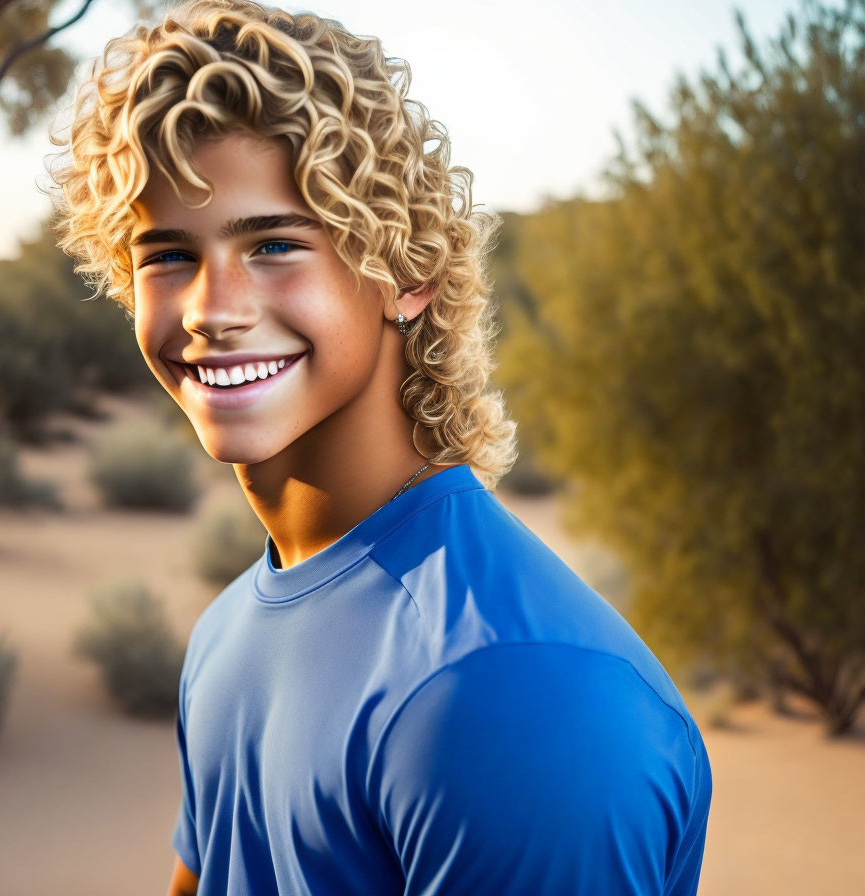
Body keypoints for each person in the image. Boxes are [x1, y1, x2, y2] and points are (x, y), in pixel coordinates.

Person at [49, 1, 712, 892]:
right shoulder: (233, 627)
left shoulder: (517, 698)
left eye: (275, 243)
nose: (211, 309)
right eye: (167, 256)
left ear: (406, 276)